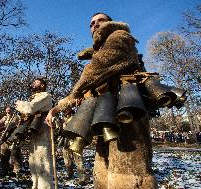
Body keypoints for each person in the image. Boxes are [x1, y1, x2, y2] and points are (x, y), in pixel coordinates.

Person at [46, 13, 157, 189]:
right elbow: (87, 87)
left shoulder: (120, 36)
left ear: (110, 23)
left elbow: (95, 69)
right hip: (106, 119)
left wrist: (73, 94)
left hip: (129, 118)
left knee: (128, 177)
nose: (95, 25)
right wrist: (56, 109)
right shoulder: (99, 50)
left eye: (101, 21)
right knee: (104, 175)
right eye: (91, 23)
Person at [15, 78, 53, 189]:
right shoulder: (33, 98)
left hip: (43, 135)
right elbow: (27, 113)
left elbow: (30, 108)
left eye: (36, 82)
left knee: (42, 163)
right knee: (33, 163)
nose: (33, 84)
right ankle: (35, 186)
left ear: (42, 85)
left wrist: (19, 104)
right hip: (34, 135)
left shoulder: (46, 96)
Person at [0, 106, 22, 176]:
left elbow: (11, 125)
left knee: (15, 154)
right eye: (7, 110)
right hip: (5, 138)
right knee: (4, 154)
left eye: (9, 110)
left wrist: (3, 127)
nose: (8, 112)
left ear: (12, 110)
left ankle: (17, 170)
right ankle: (4, 170)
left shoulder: (17, 117)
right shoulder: (5, 117)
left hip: (14, 138)